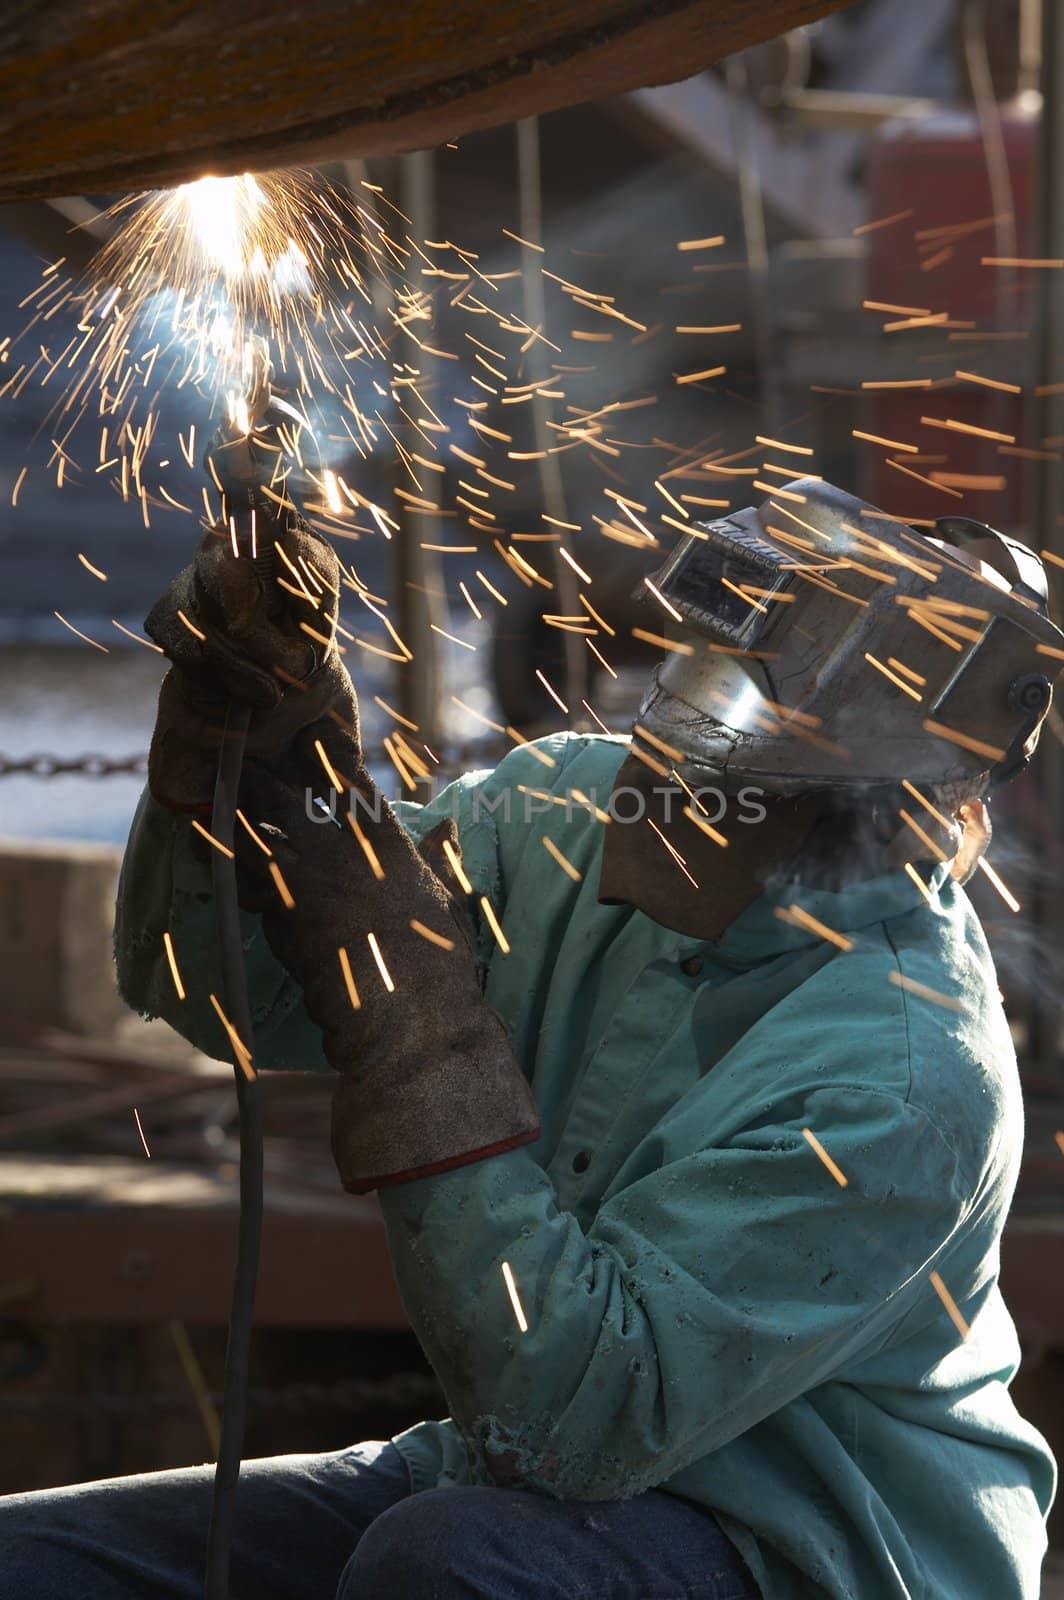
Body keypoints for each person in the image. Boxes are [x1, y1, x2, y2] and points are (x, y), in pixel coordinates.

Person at [3, 479, 1060, 1599]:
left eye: (735, 742)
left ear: (863, 810)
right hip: (510, 1487)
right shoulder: (564, 808)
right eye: (689, 694)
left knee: (445, 1565)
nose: (661, 773)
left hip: (805, 1549)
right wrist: (255, 750)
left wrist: (418, 1030)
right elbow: (206, 981)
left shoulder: (903, 1079)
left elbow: (575, 1423)